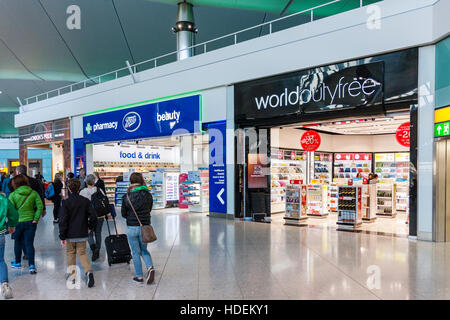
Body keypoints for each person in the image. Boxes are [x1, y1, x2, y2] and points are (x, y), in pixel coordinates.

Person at [59, 179, 97, 288]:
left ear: (69, 189)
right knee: (82, 253)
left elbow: (62, 220)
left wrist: (62, 235)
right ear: (79, 188)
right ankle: (88, 272)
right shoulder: (85, 201)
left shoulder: (65, 203)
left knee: (71, 253)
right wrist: (90, 227)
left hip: (70, 234)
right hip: (82, 231)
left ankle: (72, 276)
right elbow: (93, 216)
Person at [121, 172, 155, 284]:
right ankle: (150, 268)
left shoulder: (126, 196)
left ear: (130, 181)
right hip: (144, 227)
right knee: (144, 250)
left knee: (135, 252)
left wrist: (130, 217)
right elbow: (149, 209)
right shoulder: (148, 194)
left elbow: (123, 214)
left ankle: (139, 276)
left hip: (132, 227)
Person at [8, 174, 44, 274]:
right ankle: (32, 266)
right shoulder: (33, 193)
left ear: (15, 183)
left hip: (17, 223)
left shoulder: (13, 195)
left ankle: (18, 262)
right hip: (31, 221)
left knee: (18, 242)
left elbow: (10, 211)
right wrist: (36, 218)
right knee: (29, 243)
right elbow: (40, 206)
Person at [80, 174, 111, 262]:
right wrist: (108, 213)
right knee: (98, 232)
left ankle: (93, 248)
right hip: (99, 215)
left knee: (89, 233)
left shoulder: (83, 192)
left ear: (86, 182)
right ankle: (97, 249)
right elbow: (105, 201)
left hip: (88, 216)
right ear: (94, 181)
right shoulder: (99, 190)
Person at [0, 193, 19, 299]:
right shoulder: (3, 199)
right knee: (1, 261)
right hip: (0, 233)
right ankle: (5, 285)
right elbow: (14, 215)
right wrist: (12, 225)